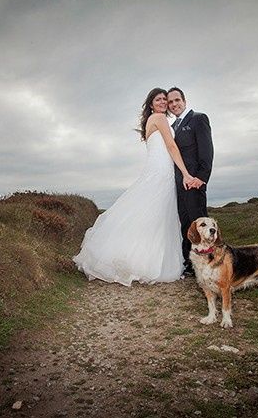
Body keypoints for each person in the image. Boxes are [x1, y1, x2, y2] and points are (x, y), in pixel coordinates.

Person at [73, 88, 195, 286]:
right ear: (151, 104)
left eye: (165, 99)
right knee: (156, 213)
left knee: (152, 213)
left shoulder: (152, 121)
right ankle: (145, 261)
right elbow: (171, 147)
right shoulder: (159, 118)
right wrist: (186, 173)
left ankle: (142, 256)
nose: (164, 102)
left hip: (158, 168)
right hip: (161, 170)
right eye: (159, 99)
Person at [167, 87, 214, 276]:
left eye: (177, 100)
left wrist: (201, 178)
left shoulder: (198, 119)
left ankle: (208, 263)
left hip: (194, 182)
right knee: (186, 224)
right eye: (170, 102)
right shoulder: (174, 127)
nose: (174, 104)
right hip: (180, 184)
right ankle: (190, 264)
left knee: (199, 225)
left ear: (184, 101)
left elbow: (207, 151)